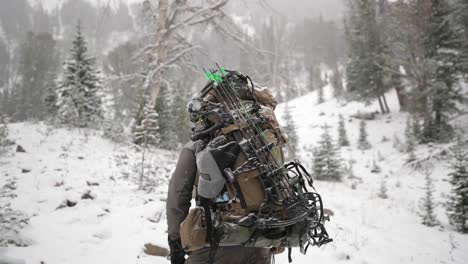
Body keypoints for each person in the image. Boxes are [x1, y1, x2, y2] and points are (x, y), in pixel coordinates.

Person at [166, 140, 273, 264]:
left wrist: (176, 244)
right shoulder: (261, 141)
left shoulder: (196, 146)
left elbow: (178, 197)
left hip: (213, 244)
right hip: (260, 243)